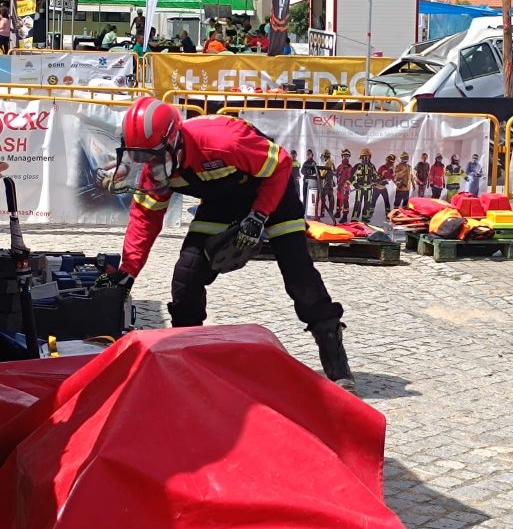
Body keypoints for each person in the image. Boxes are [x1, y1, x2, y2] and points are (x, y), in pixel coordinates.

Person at [100, 97, 355, 391]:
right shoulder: (156, 164)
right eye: (140, 157)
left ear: (174, 141)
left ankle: (335, 357)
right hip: (223, 201)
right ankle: (187, 356)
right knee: (186, 277)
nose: (149, 166)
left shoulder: (225, 142)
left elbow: (281, 163)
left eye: (153, 157)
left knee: (299, 275)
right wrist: (128, 271)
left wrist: (259, 215)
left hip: (272, 191)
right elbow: (146, 218)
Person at [350, 149, 377, 222]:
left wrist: (376, 181)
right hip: (359, 189)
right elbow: (351, 177)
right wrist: (355, 185)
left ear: (370, 157)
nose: (366, 158)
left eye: (367, 157)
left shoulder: (372, 167)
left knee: (367, 203)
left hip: (368, 189)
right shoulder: (357, 166)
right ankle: (355, 219)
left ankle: (365, 218)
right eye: (364, 157)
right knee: (358, 203)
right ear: (361, 157)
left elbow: (376, 176)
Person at [335, 149, 353, 223]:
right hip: (339, 186)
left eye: (347, 156)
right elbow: (337, 174)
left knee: (345, 201)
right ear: (342, 157)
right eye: (344, 156)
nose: (345, 158)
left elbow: (351, 178)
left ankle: (345, 216)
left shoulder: (350, 168)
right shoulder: (340, 166)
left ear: (349, 157)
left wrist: (347, 184)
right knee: (338, 200)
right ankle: (338, 212)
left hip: (345, 187)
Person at [317, 150, 335, 220]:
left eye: (322, 156)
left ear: (325, 156)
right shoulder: (331, 162)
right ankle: (331, 212)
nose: (322, 157)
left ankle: (322, 212)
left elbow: (323, 174)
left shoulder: (327, 163)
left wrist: (319, 171)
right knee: (331, 199)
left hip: (325, 184)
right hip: (330, 184)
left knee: (322, 199)